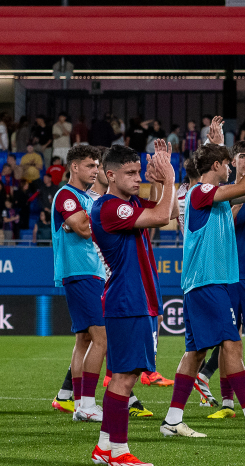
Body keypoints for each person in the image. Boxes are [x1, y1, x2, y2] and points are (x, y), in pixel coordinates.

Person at [159, 126, 245, 439]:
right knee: (232, 343)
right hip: (208, 283)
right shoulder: (202, 192)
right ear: (216, 166)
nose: (231, 166)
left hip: (202, 284)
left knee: (196, 354)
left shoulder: (210, 197)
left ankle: (173, 420)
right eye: (227, 163)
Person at [87, 143, 177, 466]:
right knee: (124, 379)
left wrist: (163, 182)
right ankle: (120, 453)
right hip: (128, 301)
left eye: (139, 171)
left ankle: (104, 448)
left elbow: (173, 214)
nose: (138, 178)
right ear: (110, 175)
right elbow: (163, 214)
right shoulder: (110, 208)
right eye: (131, 173)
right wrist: (169, 177)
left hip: (135, 301)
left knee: (126, 376)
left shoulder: (128, 202)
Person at [48, 145, 112, 418]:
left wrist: (85, 220)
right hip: (80, 272)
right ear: (74, 167)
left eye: (97, 166)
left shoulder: (87, 198)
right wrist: (86, 221)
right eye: (90, 165)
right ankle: (86, 405)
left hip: (91, 272)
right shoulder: (66, 195)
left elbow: (88, 224)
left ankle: (77, 404)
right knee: (102, 338)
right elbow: (86, 229)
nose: (95, 170)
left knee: (84, 339)